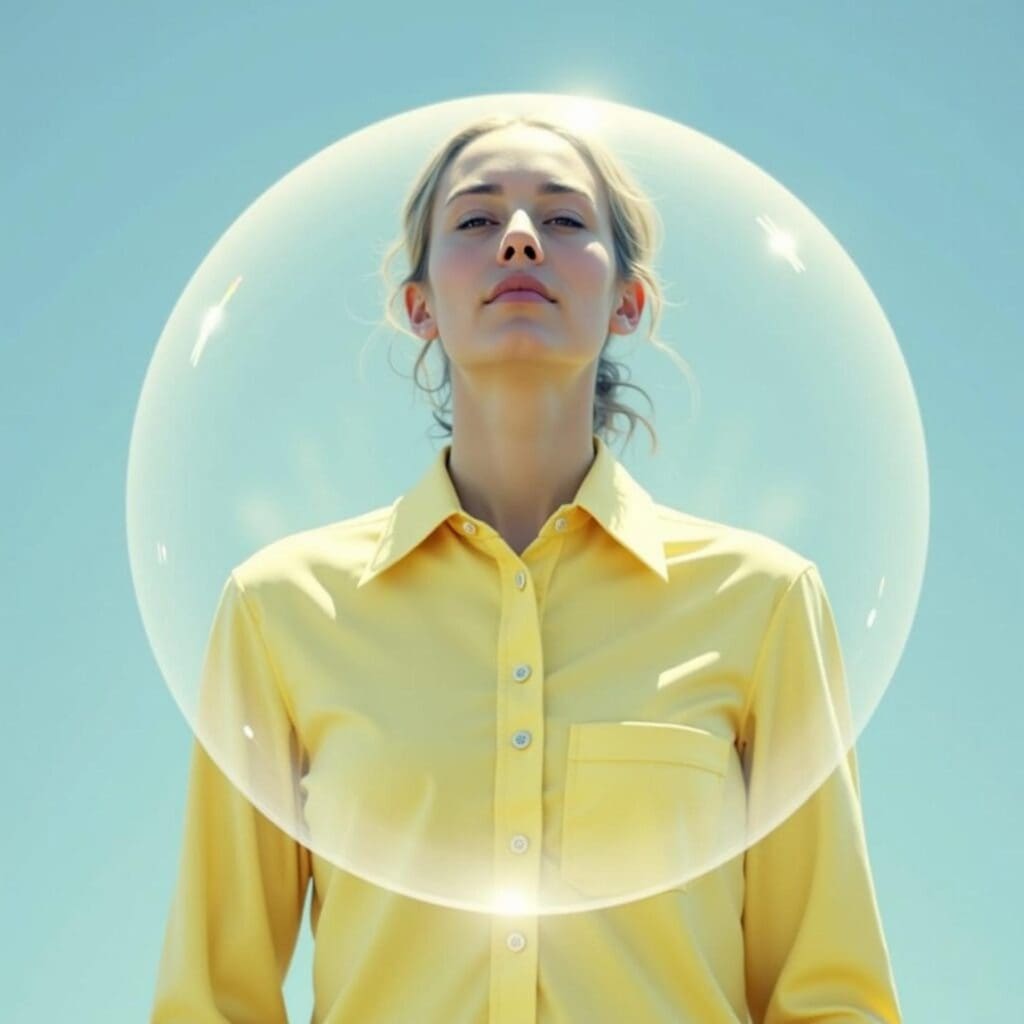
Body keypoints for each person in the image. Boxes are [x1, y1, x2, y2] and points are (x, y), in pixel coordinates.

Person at [151, 113, 903, 1022]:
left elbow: (828, 995)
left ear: (629, 300)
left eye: (562, 220)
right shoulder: (277, 613)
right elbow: (212, 1001)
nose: (518, 237)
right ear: (418, 305)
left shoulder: (767, 604)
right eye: (474, 222)